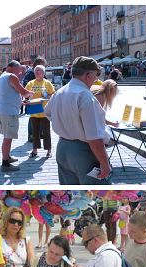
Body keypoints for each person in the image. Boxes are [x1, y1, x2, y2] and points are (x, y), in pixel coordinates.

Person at [44, 56, 111, 184]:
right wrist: (105, 163)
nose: (96, 79)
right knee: (94, 191)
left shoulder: (60, 91)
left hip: (63, 148)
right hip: (83, 151)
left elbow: (48, 112)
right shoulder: (85, 96)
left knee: (70, 192)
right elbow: (94, 137)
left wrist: (65, 124)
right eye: (96, 75)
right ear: (88, 75)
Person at [0, 60, 34, 172]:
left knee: (7, 136)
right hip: (9, 112)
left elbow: (9, 94)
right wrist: (32, 93)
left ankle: (7, 157)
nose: (20, 73)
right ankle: (5, 163)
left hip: (4, 110)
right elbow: (23, 92)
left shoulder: (2, 76)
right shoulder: (12, 76)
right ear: (13, 68)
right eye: (19, 70)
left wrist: (20, 102)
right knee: (8, 138)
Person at [25, 65, 55, 158]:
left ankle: (49, 151)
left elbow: (53, 94)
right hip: (34, 111)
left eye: (39, 71)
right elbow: (25, 94)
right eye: (36, 71)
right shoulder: (30, 83)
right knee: (35, 132)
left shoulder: (47, 83)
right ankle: (35, 150)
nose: (37, 72)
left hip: (44, 111)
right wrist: (27, 97)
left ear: (43, 73)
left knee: (46, 132)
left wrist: (47, 97)